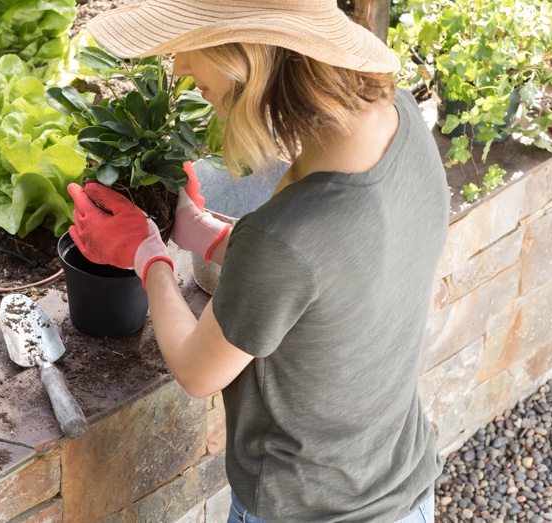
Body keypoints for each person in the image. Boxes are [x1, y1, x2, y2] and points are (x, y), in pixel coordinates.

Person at [68, 1, 449, 522]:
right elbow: (331, 277)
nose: (178, 67)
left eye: (192, 41)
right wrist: (206, 235)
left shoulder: (287, 235)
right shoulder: (399, 122)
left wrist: (146, 254)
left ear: (245, 56)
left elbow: (199, 371)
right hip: (401, 489)